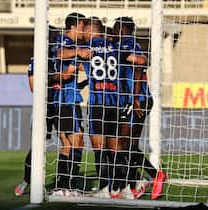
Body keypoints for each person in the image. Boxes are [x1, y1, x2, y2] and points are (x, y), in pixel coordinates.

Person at [113, 17, 168, 200]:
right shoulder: (128, 44)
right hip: (134, 100)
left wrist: (135, 99)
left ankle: (154, 175)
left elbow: (139, 67)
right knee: (128, 145)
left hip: (138, 100)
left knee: (124, 144)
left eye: (115, 28)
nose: (113, 31)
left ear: (122, 29)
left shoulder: (127, 44)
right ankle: (136, 184)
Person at [77, 17, 132, 199]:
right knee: (116, 148)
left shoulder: (87, 48)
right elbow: (139, 60)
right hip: (115, 102)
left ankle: (105, 188)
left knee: (99, 148)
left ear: (90, 30)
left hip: (98, 102)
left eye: (84, 29)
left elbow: (65, 59)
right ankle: (122, 188)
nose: (82, 33)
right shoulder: (115, 46)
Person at [14, 26, 61, 197]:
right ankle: (28, 180)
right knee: (37, 147)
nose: (56, 39)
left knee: (69, 143)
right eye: (54, 36)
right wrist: (53, 80)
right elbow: (34, 87)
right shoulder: (37, 60)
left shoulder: (60, 56)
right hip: (43, 108)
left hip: (62, 105)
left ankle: (66, 185)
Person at [52, 12, 91, 195]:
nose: (84, 31)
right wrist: (78, 54)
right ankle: (66, 185)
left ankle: (63, 186)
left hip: (66, 99)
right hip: (66, 100)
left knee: (69, 144)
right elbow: (62, 58)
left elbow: (69, 74)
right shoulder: (65, 42)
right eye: (83, 27)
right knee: (76, 142)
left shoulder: (70, 45)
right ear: (74, 27)